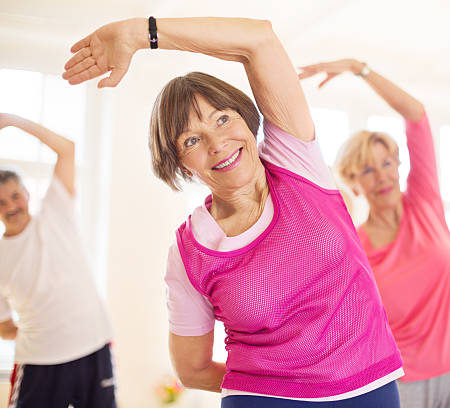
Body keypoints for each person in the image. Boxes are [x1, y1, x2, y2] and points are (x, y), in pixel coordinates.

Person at [62, 17, 403, 408]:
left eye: (222, 118)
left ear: (245, 116)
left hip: (370, 391)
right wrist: (277, 384)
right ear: (180, 163)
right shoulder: (191, 250)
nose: (218, 142)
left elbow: (259, 38)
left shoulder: (297, 163)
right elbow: (191, 369)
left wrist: (142, 34)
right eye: (192, 139)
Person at [299, 59, 450, 408]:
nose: (382, 176)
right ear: (353, 182)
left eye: (386, 163)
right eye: (367, 169)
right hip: (402, 381)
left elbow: (416, 116)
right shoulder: (355, 246)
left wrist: (359, 68)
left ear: (398, 165)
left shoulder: (425, 204)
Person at [0, 113, 115, 407]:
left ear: (26, 193)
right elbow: (3, 326)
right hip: (40, 360)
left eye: (15, 196)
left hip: (93, 347)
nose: (11, 206)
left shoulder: (55, 211)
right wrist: (44, 327)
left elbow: (67, 149)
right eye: (1, 202)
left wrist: (12, 121)